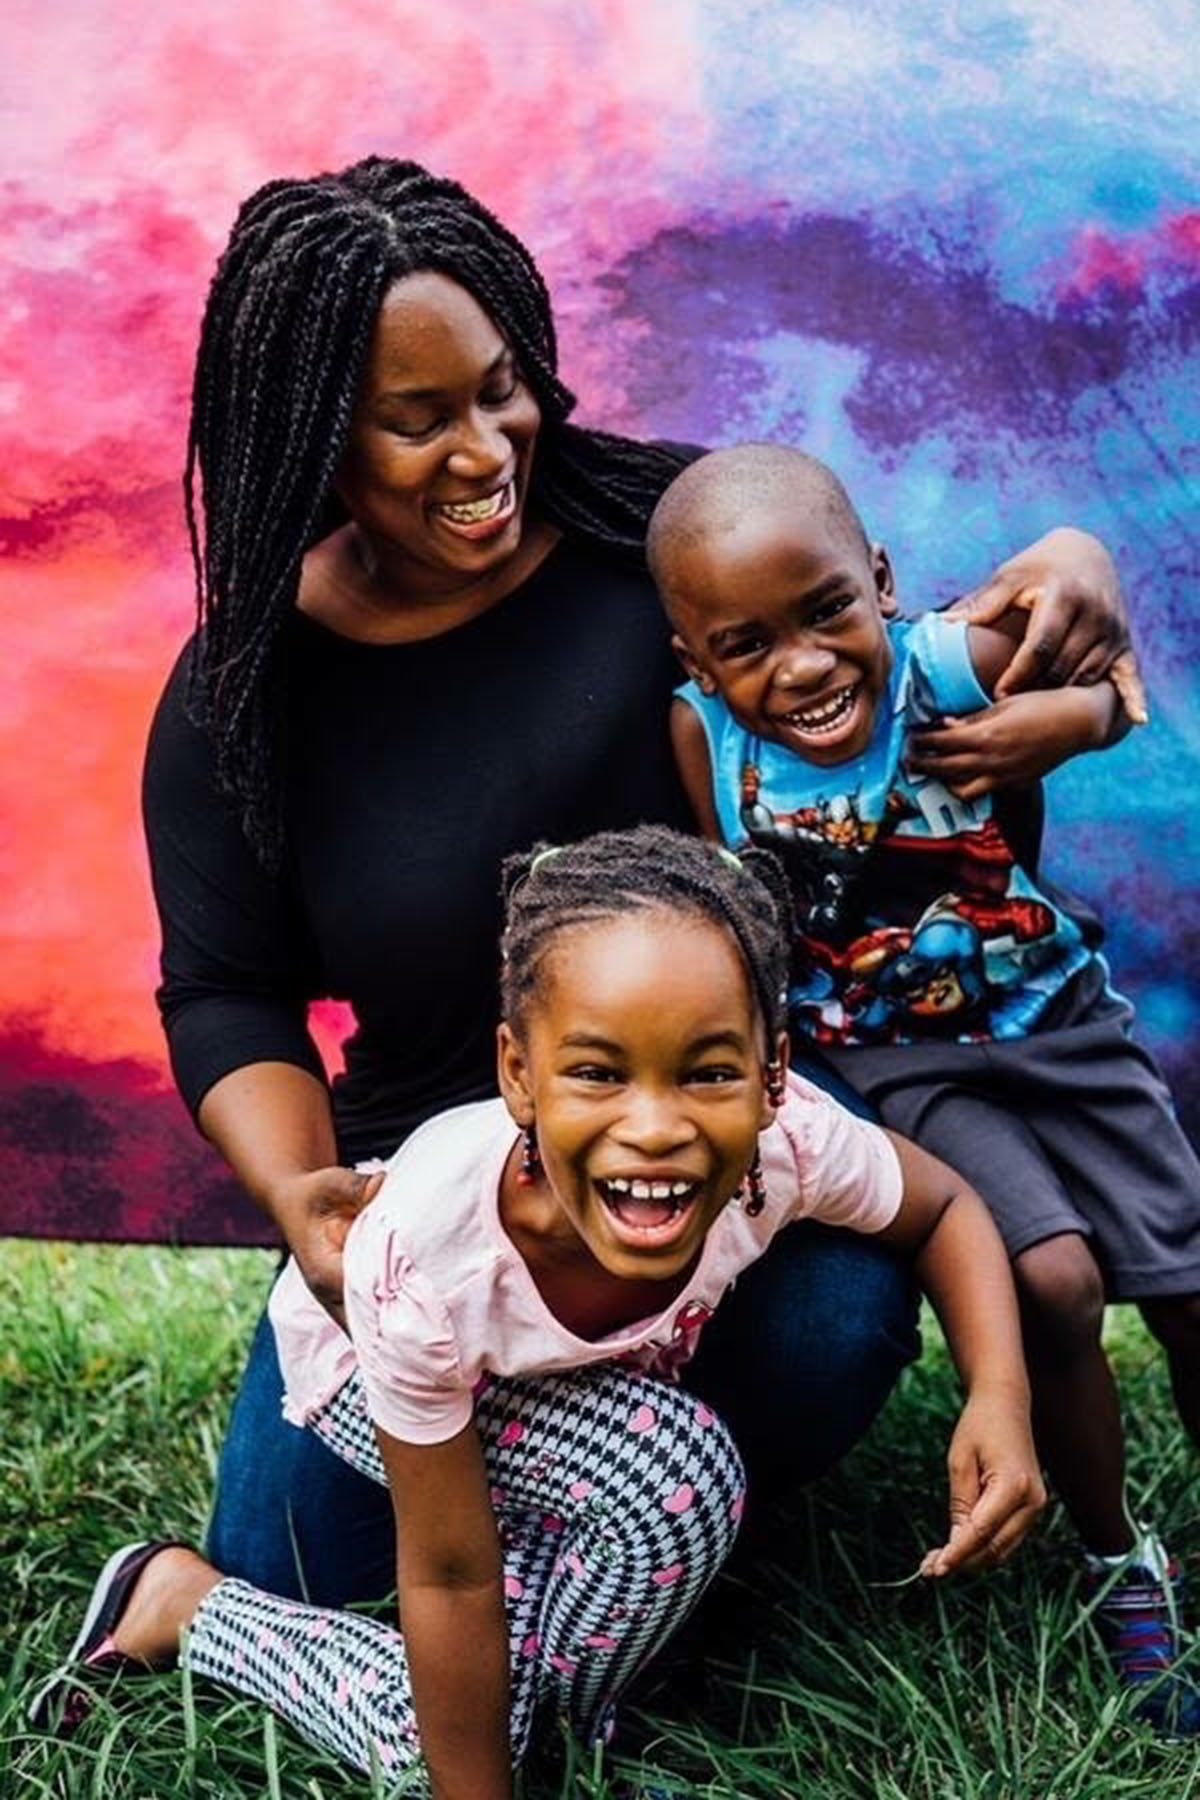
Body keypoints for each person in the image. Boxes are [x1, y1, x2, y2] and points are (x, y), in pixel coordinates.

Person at [142, 155, 1137, 1612]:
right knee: (291, 1560)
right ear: (308, 439)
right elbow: (226, 991)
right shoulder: (247, 690)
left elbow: (889, 667)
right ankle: (569, 1477)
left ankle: (649, 1509)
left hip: (714, 1135)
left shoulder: (664, 552)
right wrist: (304, 1193)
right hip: (440, 1190)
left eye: (501, 390)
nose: (485, 449)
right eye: (416, 422)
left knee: (824, 1332)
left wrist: (1069, 576)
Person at [42, 828, 1044, 1791]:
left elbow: (946, 1207)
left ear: (774, 1072)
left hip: (556, 1380)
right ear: (519, 1074)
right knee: (660, 1488)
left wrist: (997, 1392)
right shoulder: (419, 1261)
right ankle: (187, 1602)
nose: (654, 1129)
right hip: (377, 1363)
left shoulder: (790, 1146)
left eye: (709, 1071)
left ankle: (551, 1707)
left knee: (511, 1684)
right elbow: (447, 1576)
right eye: (598, 1074)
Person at [650, 443, 1200, 1734]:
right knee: (1055, 1283)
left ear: (882, 583)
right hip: (899, 1062)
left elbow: (1106, 682)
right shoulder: (706, 743)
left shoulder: (944, 663)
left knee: (1188, 1294)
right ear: (696, 663)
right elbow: (742, 908)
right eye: (745, 643)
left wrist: (1086, 718)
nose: (802, 663)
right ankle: (1120, 1559)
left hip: (1059, 1022)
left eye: (830, 611)